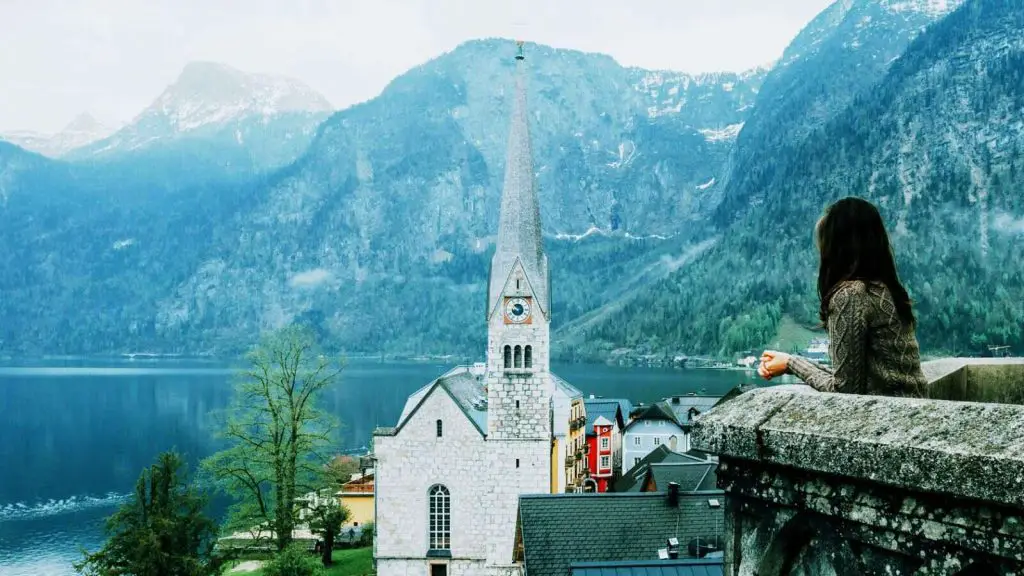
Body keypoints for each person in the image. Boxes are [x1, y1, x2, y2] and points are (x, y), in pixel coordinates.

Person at [758, 197, 927, 396]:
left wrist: (791, 363)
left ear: (836, 247)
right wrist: (790, 362)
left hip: (888, 419)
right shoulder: (887, 289)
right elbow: (851, 376)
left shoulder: (851, 295)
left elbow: (844, 389)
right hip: (912, 411)